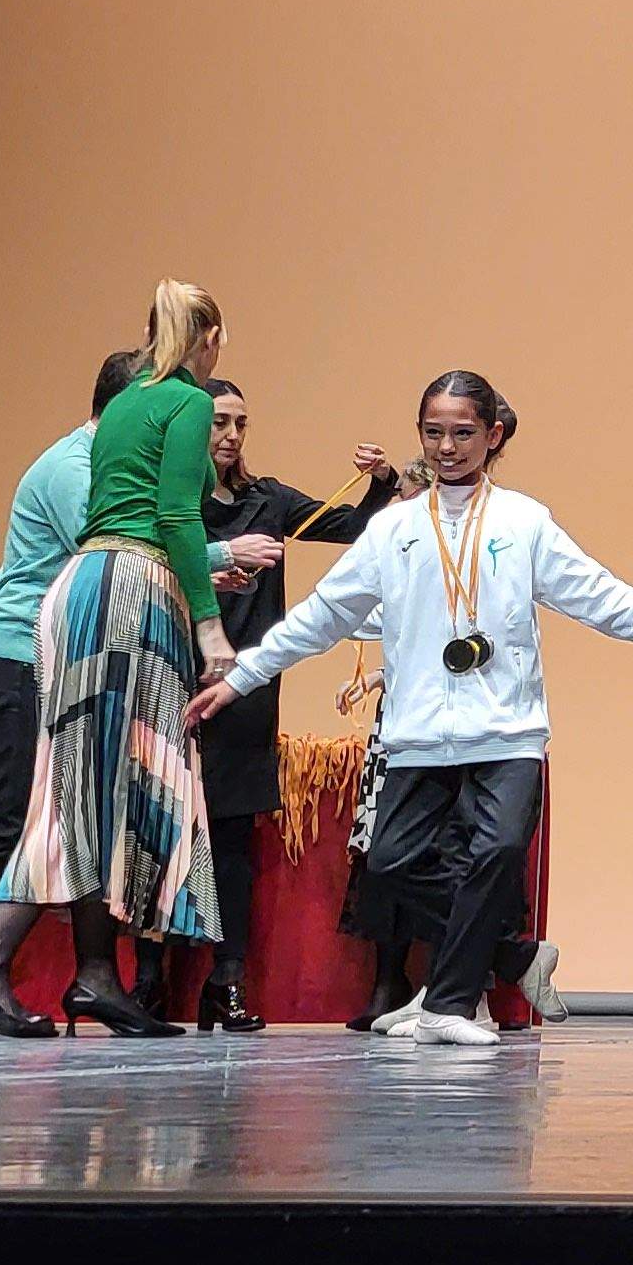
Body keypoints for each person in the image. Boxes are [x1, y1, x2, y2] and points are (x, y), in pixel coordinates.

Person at [189, 370, 633, 1046]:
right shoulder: (394, 528)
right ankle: (512, 954)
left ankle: (452, 1006)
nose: (447, 448)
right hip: (418, 734)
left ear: (493, 436)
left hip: (507, 731)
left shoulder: (523, 523)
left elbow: (598, 595)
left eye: (462, 434)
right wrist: (242, 676)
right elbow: (320, 617)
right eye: (433, 433)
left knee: (497, 851)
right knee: (393, 864)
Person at [0, 350, 280, 1029]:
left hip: (73, 649)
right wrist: (224, 559)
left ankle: (92, 975)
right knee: (15, 820)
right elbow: (116, 540)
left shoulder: (105, 460)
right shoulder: (77, 466)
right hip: (19, 655)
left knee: (93, 803)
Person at [146, 379, 400, 1030]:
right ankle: (148, 979)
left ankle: (225, 981)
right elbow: (139, 561)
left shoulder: (269, 499)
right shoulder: (171, 504)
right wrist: (221, 556)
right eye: (219, 423)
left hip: (246, 691)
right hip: (172, 677)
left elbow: (357, 527)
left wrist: (381, 481)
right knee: (160, 831)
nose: (230, 436)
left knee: (231, 842)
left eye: (240, 424)